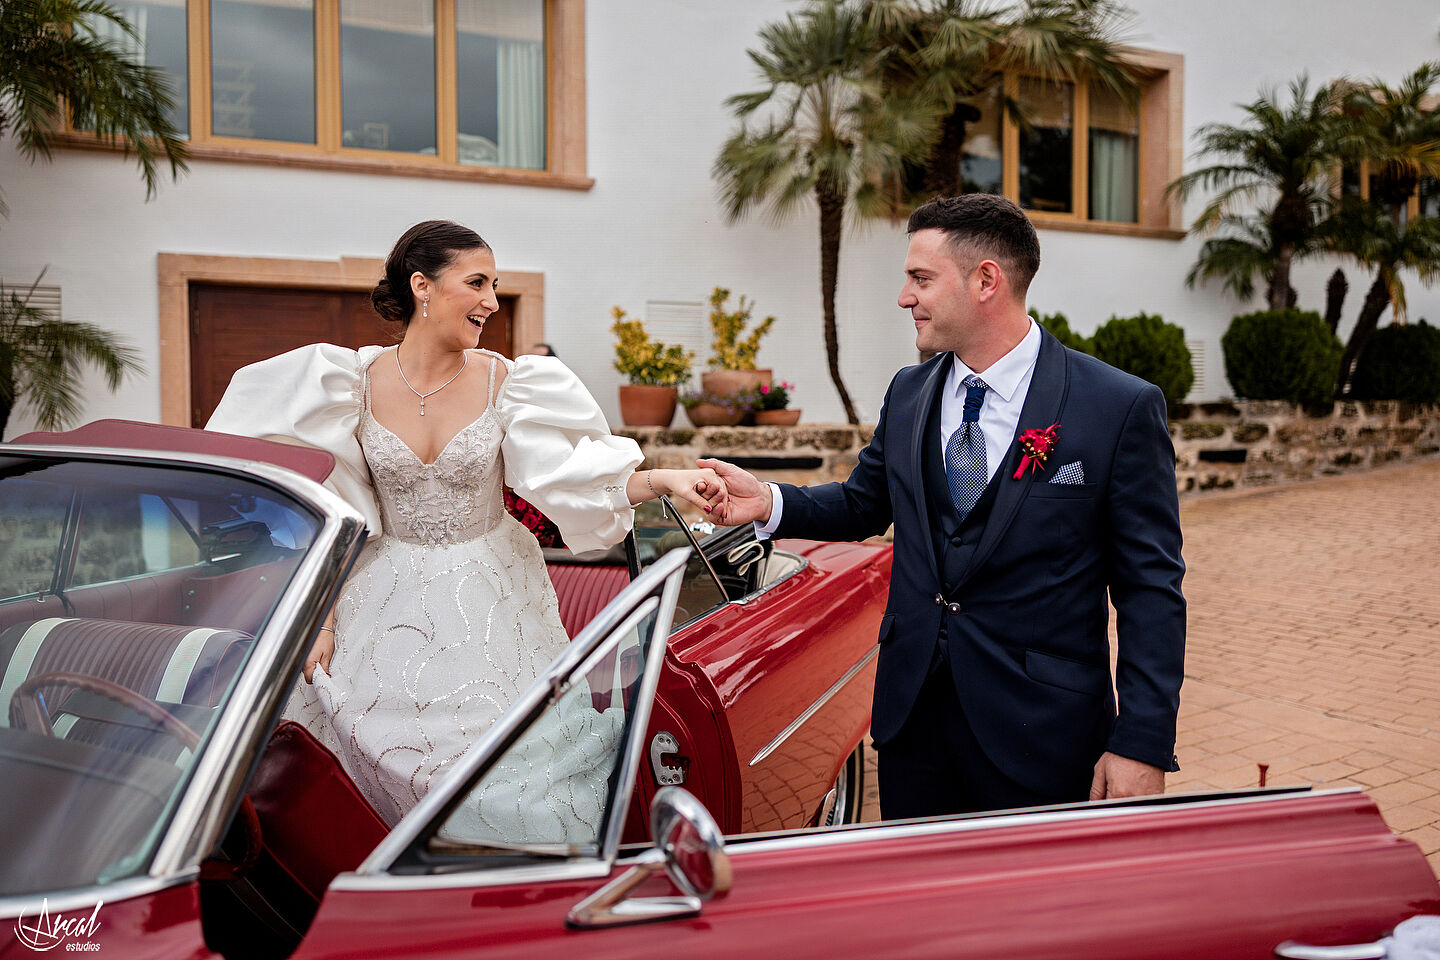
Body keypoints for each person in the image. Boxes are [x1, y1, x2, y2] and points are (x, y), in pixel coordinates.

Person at [207, 220, 725, 826]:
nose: (492, 302)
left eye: (495, 285)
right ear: (421, 286)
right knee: (346, 764)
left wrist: (663, 480)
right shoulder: (345, 383)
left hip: (492, 600)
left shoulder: (511, 383)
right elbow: (327, 510)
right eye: (477, 283)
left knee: (499, 768)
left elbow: (574, 477)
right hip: (377, 601)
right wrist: (320, 618)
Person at [704, 194, 1185, 819]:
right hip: (914, 724)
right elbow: (862, 503)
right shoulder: (909, 392)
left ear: (986, 280)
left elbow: (1151, 589)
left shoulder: (1117, 407)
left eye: (921, 278)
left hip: (1044, 734)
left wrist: (1141, 742)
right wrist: (767, 502)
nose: (905, 297)